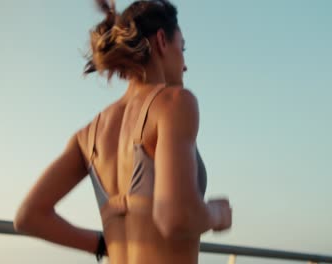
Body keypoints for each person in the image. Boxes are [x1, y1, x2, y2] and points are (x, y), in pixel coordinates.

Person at [13, 0, 232, 263]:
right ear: (162, 40)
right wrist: (217, 213)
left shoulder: (88, 135)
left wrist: (103, 244)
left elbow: (29, 216)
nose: (185, 64)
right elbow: (176, 216)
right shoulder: (175, 102)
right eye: (182, 47)